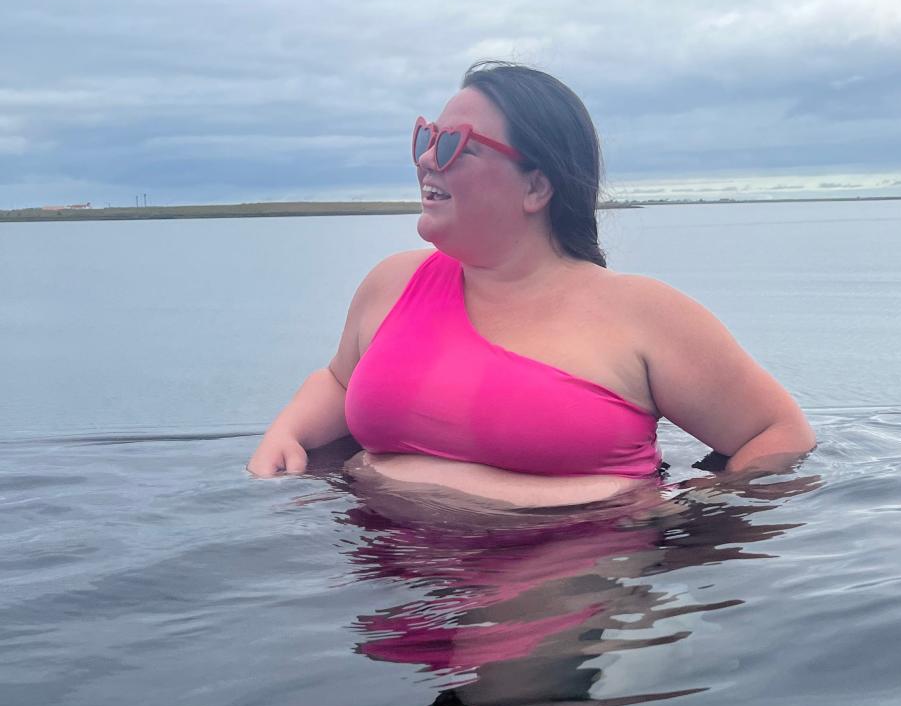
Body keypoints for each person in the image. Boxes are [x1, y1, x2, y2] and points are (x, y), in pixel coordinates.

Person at [247, 62, 815, 507]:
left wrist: (692, 509)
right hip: (384, 588)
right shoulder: (391, 284)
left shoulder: (643, 315)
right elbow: (341, 381)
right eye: (424, 137)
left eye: (452, 145)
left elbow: (779, 432)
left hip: (571, 582)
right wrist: (286, 434)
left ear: (536, 186)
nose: (425, 160)